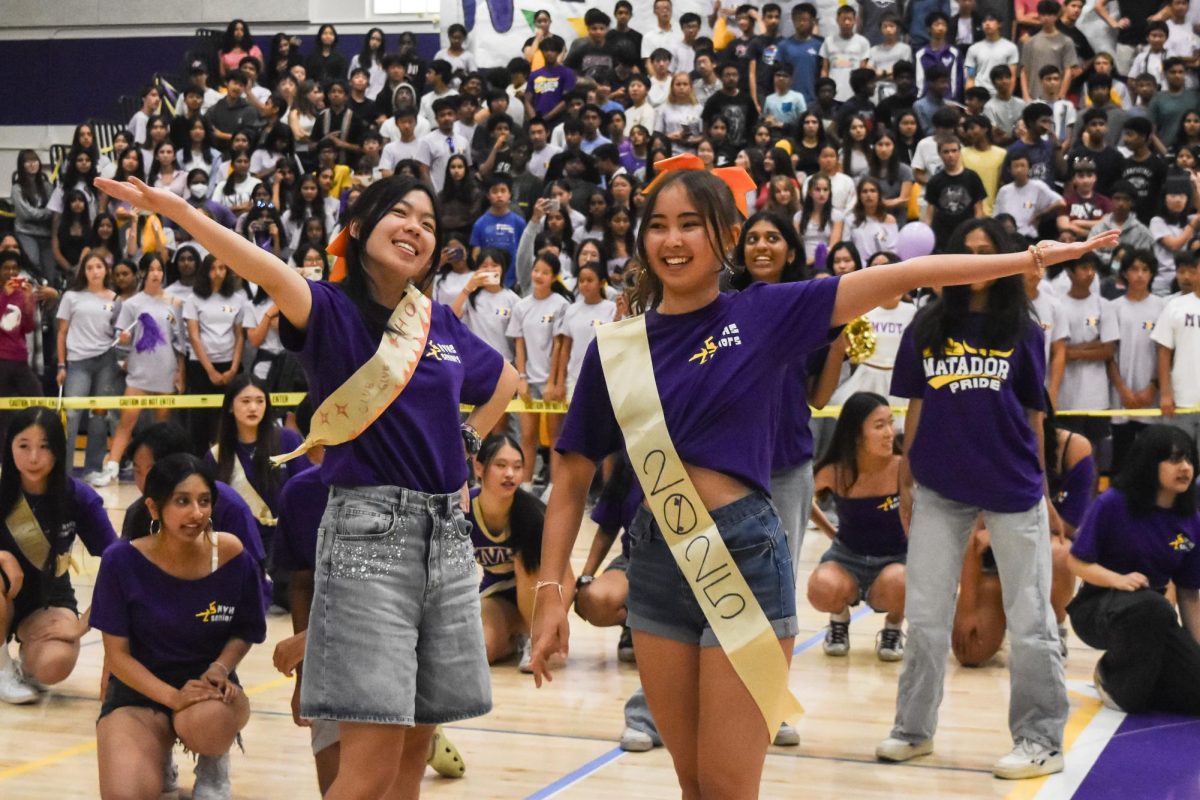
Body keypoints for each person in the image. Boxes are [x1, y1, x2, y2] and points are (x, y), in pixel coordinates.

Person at [529, 164, 1120, 796]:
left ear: (723, 236)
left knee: (728, 786)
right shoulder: (615, 348)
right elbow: (569, 479)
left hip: (743, 560)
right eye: (659, 227)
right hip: (654, 560)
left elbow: (907, 274)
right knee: (691, 781)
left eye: (690, 225)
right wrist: (549, 591)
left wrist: (1026, 257)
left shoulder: (764, 311)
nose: (673, 241)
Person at [95, 171, 518, 798]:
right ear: (360, 226)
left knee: (409, 759)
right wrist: (181, 212)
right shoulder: (330, 309)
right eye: (400, 214)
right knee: (369, 769)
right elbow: (261, 266)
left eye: (428, 224)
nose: (416, 229)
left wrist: (470, 445)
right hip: (371, 535)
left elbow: (507, 380)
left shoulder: (439, 325)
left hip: (447, 544)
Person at [876, 217, 1103, 779]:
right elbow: (916, 405)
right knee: (926, 617)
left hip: (1011, 486)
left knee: (1030, 620)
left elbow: (1033, 415)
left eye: (987, 252)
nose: (976, 261)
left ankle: (1040, 738)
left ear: (1003, 262)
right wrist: (906, 476)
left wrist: (1044, 491)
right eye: (967, 252)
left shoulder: (1021, 328)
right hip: (939, 486)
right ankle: (913, 729)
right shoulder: (927, 324)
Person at [91, 453, 265, 799]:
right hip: (139, 691)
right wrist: (173, 697)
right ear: (154, 508)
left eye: (204, 501)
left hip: (208, 690)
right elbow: (118, 657)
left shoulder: (232, 555)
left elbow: (246, 630)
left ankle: (213, 762)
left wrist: (221, 667)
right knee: (125, 794)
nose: (196, 513)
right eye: (182, 501)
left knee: (209, 725)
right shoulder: (121, 561)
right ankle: (158, 754)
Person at [1067, 425, 1200, 716]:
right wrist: (1118, 579)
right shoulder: (1113, 503)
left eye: (1189, 459)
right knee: (1153, 606)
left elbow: (1189, 595)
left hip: (1155, 615)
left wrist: (1194, 652)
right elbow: (1075, 561)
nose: (1185, 468)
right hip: (1098, 607)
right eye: (1174, 460)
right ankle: (1109, 678)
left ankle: (1153, 680)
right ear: (1150, 463)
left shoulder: (1191, 520)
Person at [951, 403, 1096, 667]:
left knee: (1061, 553)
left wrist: (1004, 533)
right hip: (994, 562)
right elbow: (970, 537)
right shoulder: (980, 449)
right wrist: (968, 608)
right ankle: (1007, 615)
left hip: (1040, 548)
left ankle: (1054, 627)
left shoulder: (1073, 447)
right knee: (970, 651)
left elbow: (1069, 524)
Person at [0, 407, 116, 705]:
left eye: (45, 447)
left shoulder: (78, 497)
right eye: (23, 446)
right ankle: (1, 669)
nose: (34, 458)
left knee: (55, 663)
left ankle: (26, 665)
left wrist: (85, 623)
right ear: (9, 447)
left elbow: (121, 562)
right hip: (4, 594)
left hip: (47, 600)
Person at [807, 392, 908, 661]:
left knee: (906, 581)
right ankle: (838, 622)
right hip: (846, 559)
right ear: (855, 434)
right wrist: (831, 532)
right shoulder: (835, 471)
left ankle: (894, 629)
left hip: (894, 561)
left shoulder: (904, 468)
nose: (889, 433)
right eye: (879, 426)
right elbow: (803, 500)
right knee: (820, 587)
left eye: (891, 422)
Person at [206, 376, 308, 611]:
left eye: (260, 401)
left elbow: (303, 489)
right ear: (231, 406)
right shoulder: (217, 455)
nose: (253, 407)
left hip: (286, 541)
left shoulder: (288, 440)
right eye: (246, 401)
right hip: (243, 545)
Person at [99, 253, 186, 487]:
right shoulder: (132, 304)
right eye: (152, 269)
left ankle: (162, 471)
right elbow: (123, 340)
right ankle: (112, 467)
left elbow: (179, 342)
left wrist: (180, 372)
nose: (156, 273)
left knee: (162, 428)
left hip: (166, 371)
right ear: (144, 273)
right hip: (139, 373)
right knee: (126, 422)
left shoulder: (175, 303)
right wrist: (125, 339)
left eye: (160, 269)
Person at [508, 252, 573, 488]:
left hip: (552, 383)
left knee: (556, 437)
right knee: (526, 436)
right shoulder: (521, 305)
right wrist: (521, 377)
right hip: (528, 380)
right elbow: (519, 343)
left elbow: (560, 345)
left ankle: (554, 488)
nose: (539, 276)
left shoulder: (561, 305)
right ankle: (525, 485)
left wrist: (554, 383)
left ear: (554, 276)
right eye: (536, 270)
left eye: (545, 272)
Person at [56, 253, 119, 485]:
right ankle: (64, 472)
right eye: (90, 267)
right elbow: (61, 332)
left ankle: (93, 468)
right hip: (78, 362)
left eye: (99, 266)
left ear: (106, 270)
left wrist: (123, 337)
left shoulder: (115, 298)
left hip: (106, 360)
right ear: (83, 271)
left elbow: (119, 332)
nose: (94, 271)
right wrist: (61, 364)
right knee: (71, 416)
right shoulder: (71, 297)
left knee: (99, 416)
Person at [1107, 250, 1166, 473]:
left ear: (1152, 274)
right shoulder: (1114, 307)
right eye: (1134, 269)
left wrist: (1153, 387)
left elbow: (1165, 353)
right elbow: (1109, 355)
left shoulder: (1162, 307)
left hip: (1151, 397)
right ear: (1125, 273)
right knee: (1121, 460)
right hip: (1121, 397)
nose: (1140, 275)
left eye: (1145, 270)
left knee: (1151, 461)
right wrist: (1123, 390)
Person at [184, 256, 249, 454]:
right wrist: (210, 370)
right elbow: (194, 337)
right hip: (201, 365)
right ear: (205, 271)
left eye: (222, 268)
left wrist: (233, 368)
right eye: (213, 268)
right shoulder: (193, 299)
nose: (218, 272)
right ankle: (199, 459)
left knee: (228, 416)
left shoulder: (238, 299)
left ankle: (228, 458)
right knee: (201, 418)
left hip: (229, 362)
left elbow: (239, 336)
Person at [552, 262, 616, 401]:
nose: (585, 284)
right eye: (581, 281)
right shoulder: (572, 310)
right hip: (575, 378)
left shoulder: (612, 308)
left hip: (604, 379)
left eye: (590, 280)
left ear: (601, 283)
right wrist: (560, 382)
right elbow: (565, 349)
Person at [1153, 256, 1200, 442]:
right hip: (1181, 399)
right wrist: (1165, 394)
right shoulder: (1175, 306)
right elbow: (1163, 351)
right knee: (1180, 459)